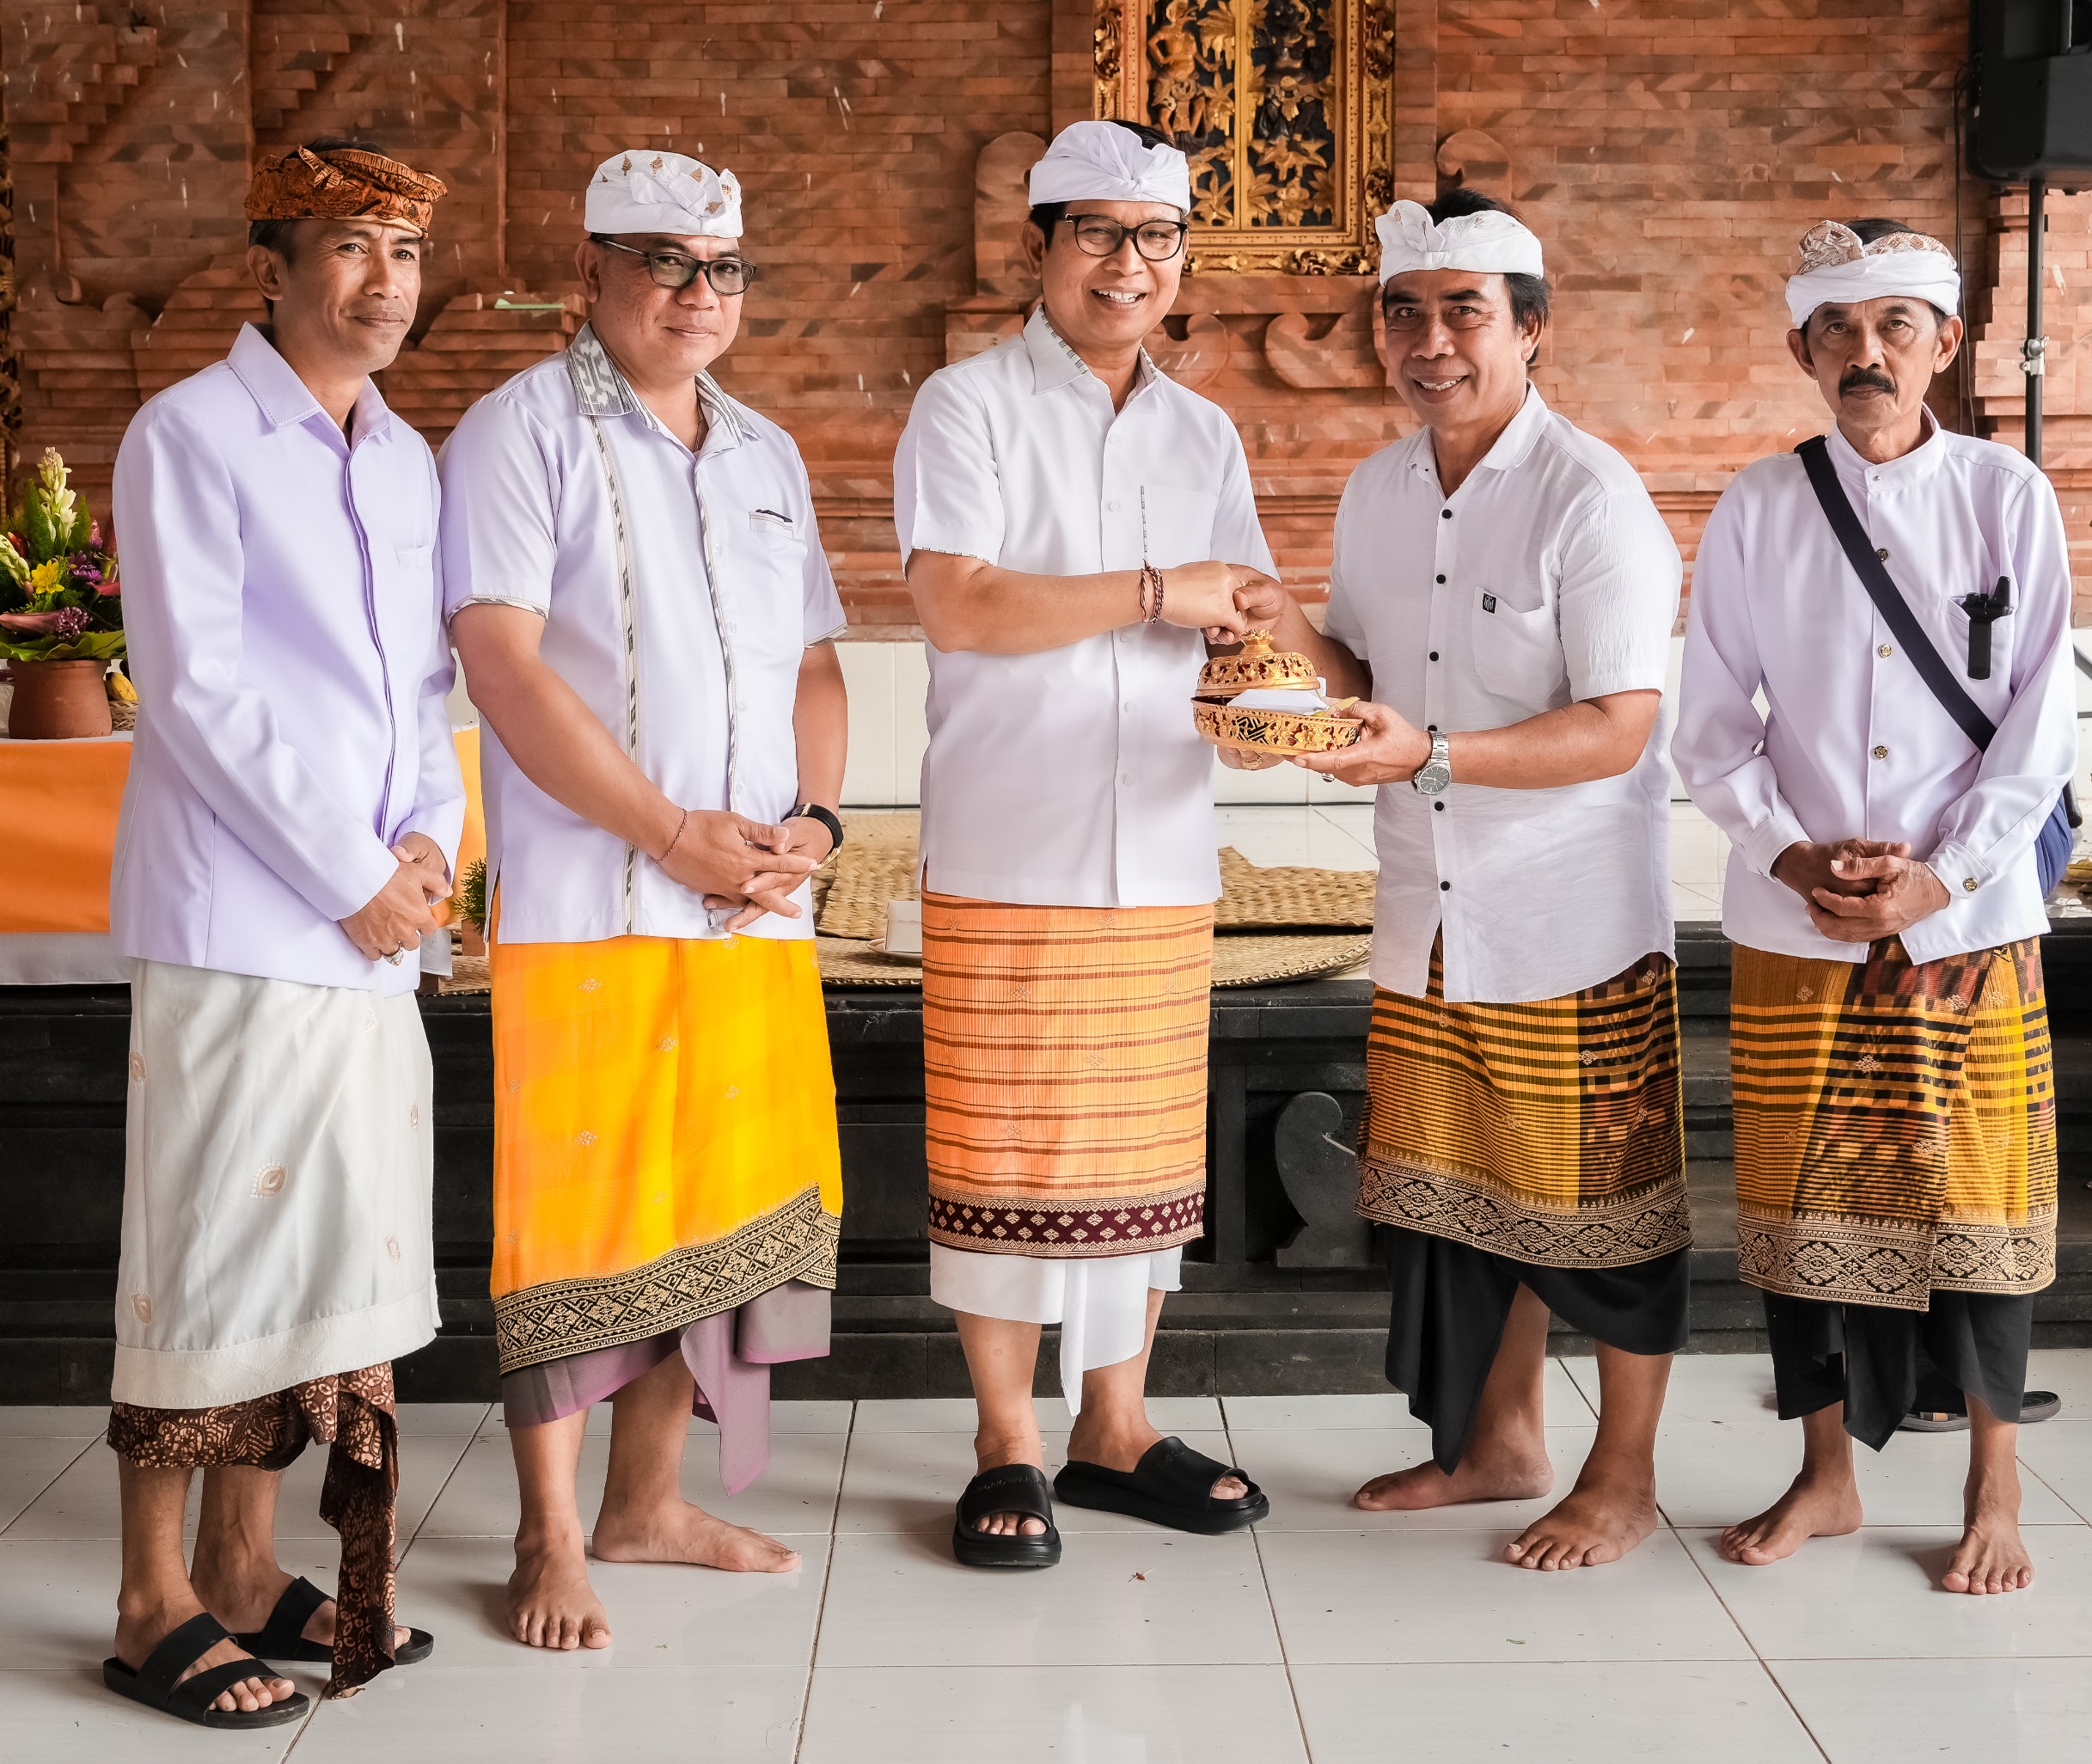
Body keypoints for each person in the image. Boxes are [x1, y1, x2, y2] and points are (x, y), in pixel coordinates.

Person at [1245, 191, 1690, 1571]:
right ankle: (1499, 1445)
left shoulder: (1590, 494)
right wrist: (1286, 634)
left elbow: (1623, 721)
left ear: (1532, 330)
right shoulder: (1377, 489)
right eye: (1404, 312)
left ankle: (1623, 1477)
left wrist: (1430, 747)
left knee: (1603, 1209)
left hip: (1568, 915)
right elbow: (1370, 685)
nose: (1429, 341)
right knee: (1463, 1201)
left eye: (1464, 312)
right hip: (1427, 910)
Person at [443, 150, 846, 1648]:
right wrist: (671, 832)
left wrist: (810, 819)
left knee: (723, 1207)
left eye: (724, 270)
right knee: (576, 1214)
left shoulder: (765, 451)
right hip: (597, 894)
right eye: (665, 264)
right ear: (590, 266)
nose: (698, 296)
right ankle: (552, 1532)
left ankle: (648, 1501)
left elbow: (812, 661)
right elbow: (503, 663)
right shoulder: (515, 431)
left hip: (753, 902)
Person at [102, 138, 457, 1727]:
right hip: (248, 916)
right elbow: (193, 691)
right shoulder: (188, 435)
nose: (384, 280)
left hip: (372, 928)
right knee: (209, 1252)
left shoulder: (404, 453)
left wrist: (432, 846)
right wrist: (345, 871)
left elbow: (424, 687)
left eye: (405, 249)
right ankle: (149, 1600)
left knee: (323, 1257)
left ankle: (247, 1574)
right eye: (351, 246)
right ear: (274, 263)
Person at [893, 119, 1275, 1567]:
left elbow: (1240, 614)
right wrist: (1154, 589)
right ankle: (1006, 1442)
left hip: (1165, 836)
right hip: (1015, 838)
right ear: (1040, 252)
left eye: (1158, 238)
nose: (1131, 264)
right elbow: (962, 604)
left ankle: (1115, 1423)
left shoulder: (1203, 431)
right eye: (1101, 235)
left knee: (1141, 1155)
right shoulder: (969, 404)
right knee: (1006, 1154)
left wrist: (1259, 700)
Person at [1673, 218, 2073, 1594]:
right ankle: (1827, 1475)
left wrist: (1940, 875)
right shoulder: (1757, 505)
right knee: (1802, 1210)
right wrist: (1787, 854)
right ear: (1801, 350)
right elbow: (1711, 727)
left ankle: (1994, 1487)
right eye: (1838, 331)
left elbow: (2039, 724)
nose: (1866, 354)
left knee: (1978, 1211)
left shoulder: (2007, 494)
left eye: (1896, 326)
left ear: (1947, 345)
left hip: (1965, 928)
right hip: (1800, 929)